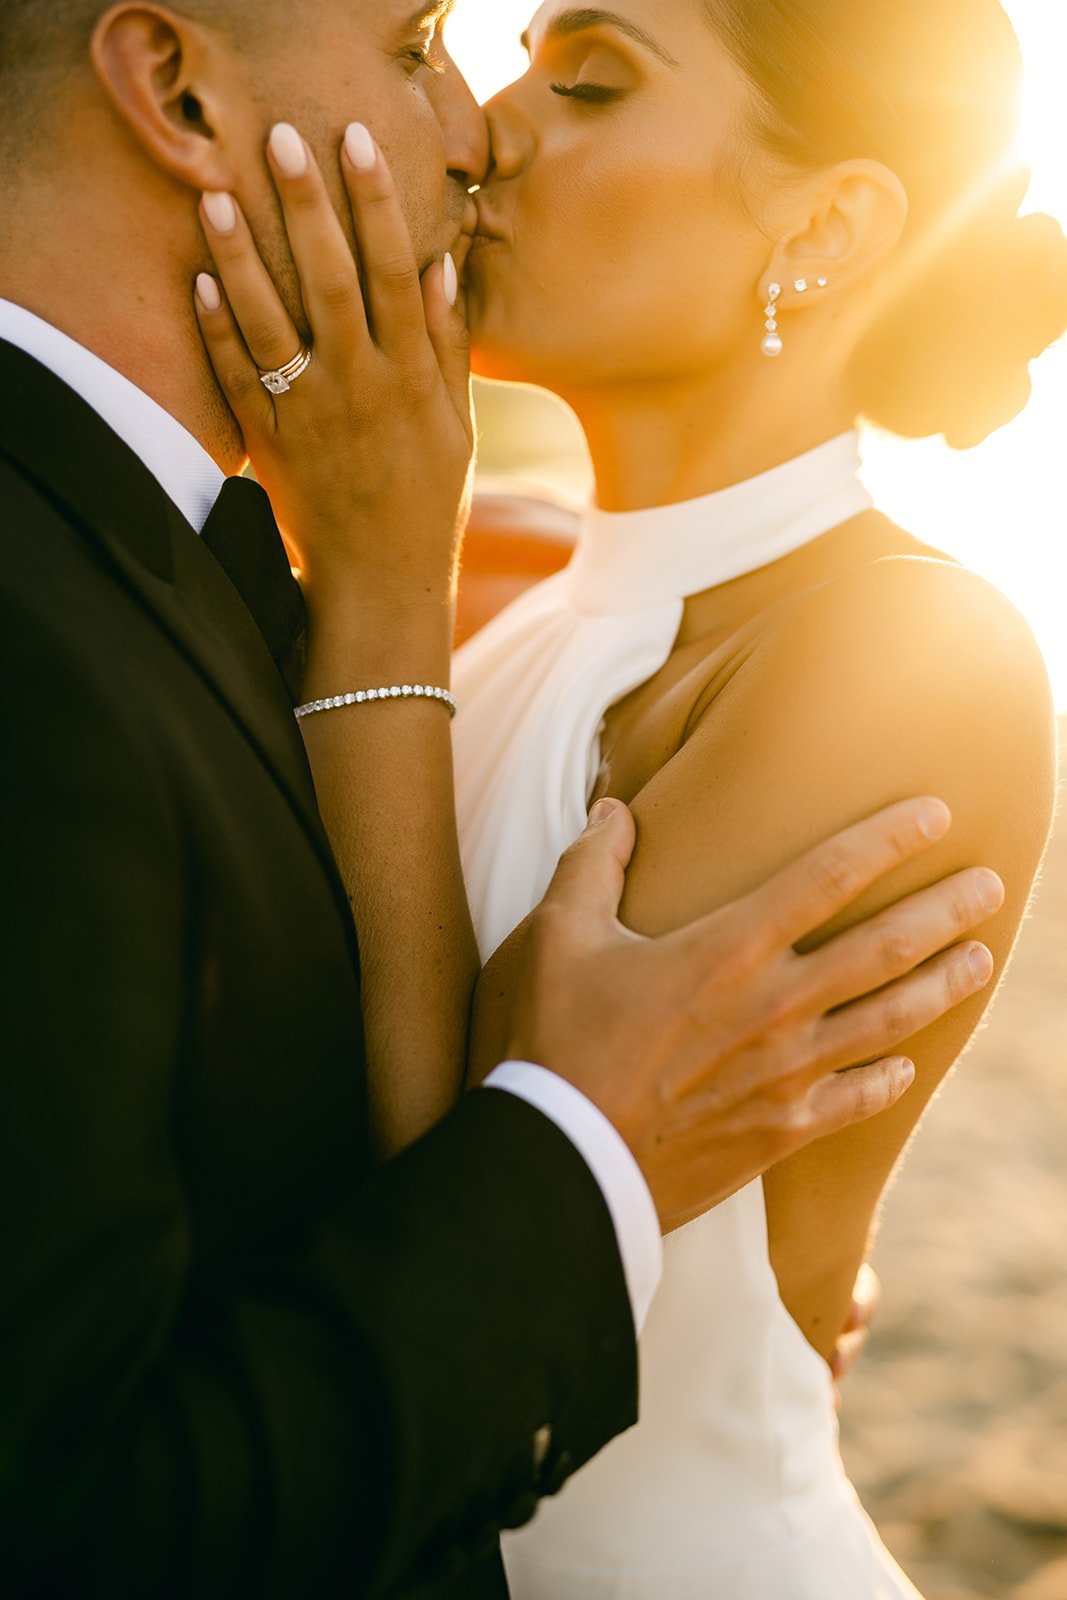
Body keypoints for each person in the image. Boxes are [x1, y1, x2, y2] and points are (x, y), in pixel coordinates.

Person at [0, 1, 1010, 1596]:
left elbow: (455, 1181)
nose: (490, 127)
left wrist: (388, 576)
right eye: (480, 54)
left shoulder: (910, 646)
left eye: (589, 78)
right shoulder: (500, 590)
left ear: (824, 221)